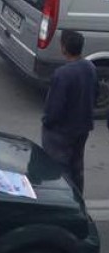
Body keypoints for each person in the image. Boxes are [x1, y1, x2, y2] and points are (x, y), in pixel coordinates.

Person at [41, 31, 97, 194]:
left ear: (64, 48)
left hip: (62, 132)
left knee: (59, 171)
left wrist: (47, 122)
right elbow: (95, 94)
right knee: (77, 167)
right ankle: (78, 199)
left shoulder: (62, 74)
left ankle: (63, 203)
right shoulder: (90, 67)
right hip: (82, 128)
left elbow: (55, 108)